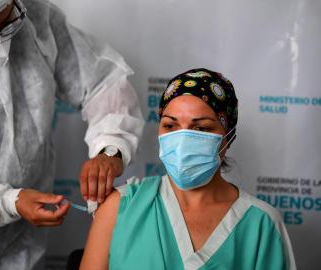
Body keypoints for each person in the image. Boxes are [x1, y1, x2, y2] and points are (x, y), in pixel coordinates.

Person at [0, 0, 144, 269]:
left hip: (21, 246)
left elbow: (103, 81)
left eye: (8, 22)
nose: (1, 43)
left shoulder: (34, 15)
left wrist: (111, 148)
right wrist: (7, 202)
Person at [80, 68, 296, 270]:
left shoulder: (261, 224)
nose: (182, 139)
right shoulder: (122, 207)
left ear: (228, 137)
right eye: (170, 126)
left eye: (201, 128)